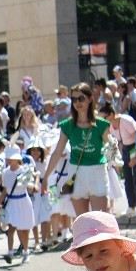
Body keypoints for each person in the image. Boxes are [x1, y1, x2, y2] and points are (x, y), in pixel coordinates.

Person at [42, 83, 114, 216]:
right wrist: (46, 177)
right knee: (82, 222)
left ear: (90, 99)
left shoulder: (101, 124)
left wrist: (112, 158)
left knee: (102, 220)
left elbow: (111, 148)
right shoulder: (68, 125)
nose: (77, 103)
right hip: (76, 172)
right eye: (74, 99)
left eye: (81, 98)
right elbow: (57, 152)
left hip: (97, 171)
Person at [100, 103, 136, 217]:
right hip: (125, 149)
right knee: (127, 179)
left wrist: (135, 155)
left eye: (104, 117)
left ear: (111, 114)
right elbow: (115, 141)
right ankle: (131, 206)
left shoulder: (126, 120)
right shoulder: (108, 126)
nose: (103, 120)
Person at [0, 146, 36, 264]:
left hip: (23, 202)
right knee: (11, 228)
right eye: (8, 158)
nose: (9, 160)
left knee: (23, 229)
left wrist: (30, 183)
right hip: (11, 202)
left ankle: (26, 251)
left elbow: (31, 189)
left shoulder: (24, 171)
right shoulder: (5, 172)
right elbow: (5, 190)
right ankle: (10, 252)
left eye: (11, 158)